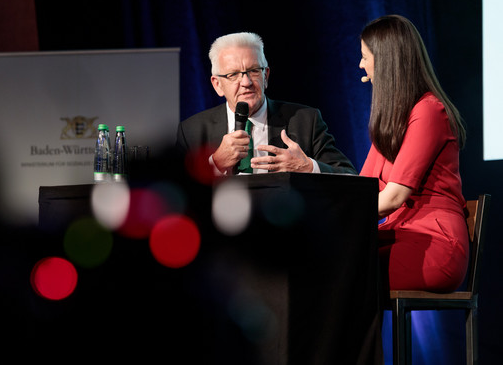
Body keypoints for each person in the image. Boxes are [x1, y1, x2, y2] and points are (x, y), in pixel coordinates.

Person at [359, 15, 468, 293]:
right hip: (398, 234)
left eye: (364, 57)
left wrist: (337, 218)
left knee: (341, 272)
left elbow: (394, 197)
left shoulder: (430, 110)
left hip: (433, 244)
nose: (361, 65)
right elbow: (361, 192)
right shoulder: (393, 121)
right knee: (321, 258)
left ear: (386, 62)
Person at [176, 32, 356, 176]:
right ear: (217, 84)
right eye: (234, 75)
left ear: (266, 76)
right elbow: (174, 199)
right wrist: (214, 164)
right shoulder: (192, 131)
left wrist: (308, 167)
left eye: (254, 71)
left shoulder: (305, 121)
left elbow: (350, 177)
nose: (246, 82)